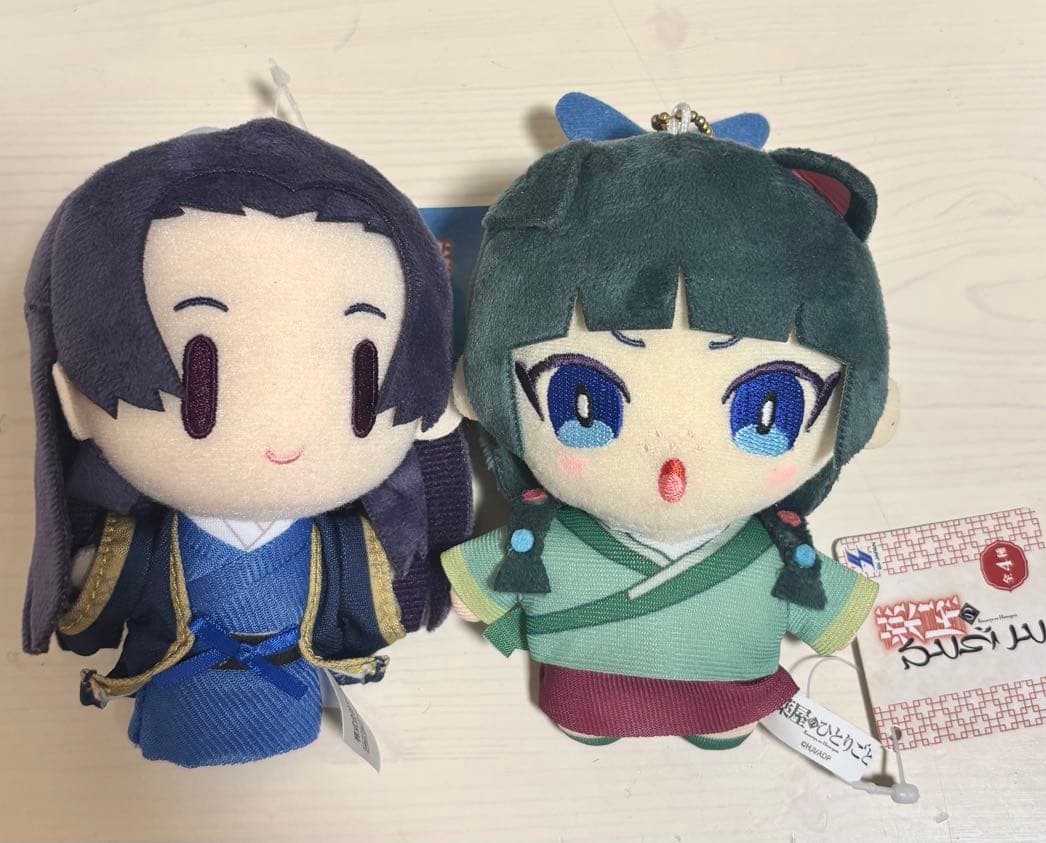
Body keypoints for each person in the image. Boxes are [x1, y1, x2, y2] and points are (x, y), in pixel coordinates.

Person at [23, 119, 472, 765]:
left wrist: (408, 595)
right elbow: (105, 589)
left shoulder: (335, 545)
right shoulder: (149, 545)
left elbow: (367, 593)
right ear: (76, 402)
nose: (283, 436)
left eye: (362, 377)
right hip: (178, 690)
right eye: (199, 386)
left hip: (293, 696)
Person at [443, 127, 897, 747]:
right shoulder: (544, 539)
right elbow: (475, 590)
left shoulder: (773, 553)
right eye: (584, 402)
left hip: (727, 694)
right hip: (586, 693)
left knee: (721, 721)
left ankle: (709, 722)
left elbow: (837, 615)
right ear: (480, 390)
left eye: (767, 411)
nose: (674, 469)